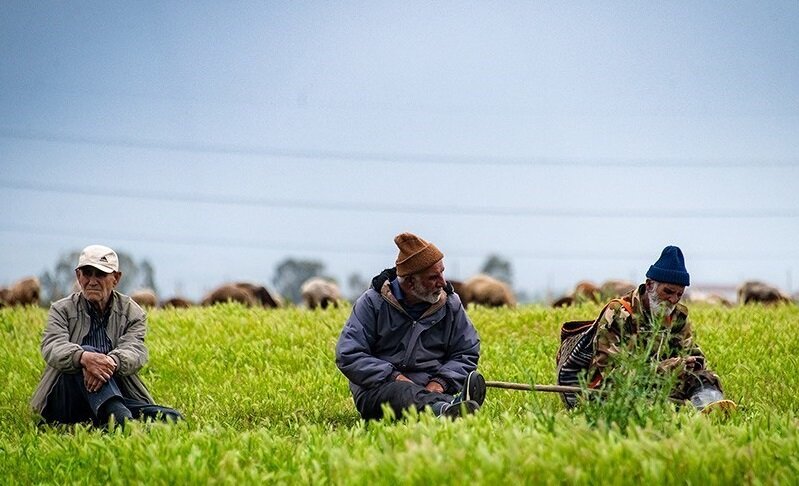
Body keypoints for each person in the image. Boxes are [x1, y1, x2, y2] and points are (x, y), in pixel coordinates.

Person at [556, 246, 729, 411]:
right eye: (668, 291)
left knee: (704, 378)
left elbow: (693, 355)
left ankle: (712, 411)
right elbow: (612, 376)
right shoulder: (619, 314)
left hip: (656, 383)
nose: (673, 300)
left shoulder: (677, 317)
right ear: (649, 285)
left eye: (679, 294)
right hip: (608, 392)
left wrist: (689, 365)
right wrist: (664, 368)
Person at [336, 232, 485, 420]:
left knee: (430, 397)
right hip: (381, 391)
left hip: (433, 389)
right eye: (433, 277)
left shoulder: (450, 305)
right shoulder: (372, 303)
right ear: (410, 282)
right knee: (400, 393)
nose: (442, 282)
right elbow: (349, 354)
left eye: (442, 272)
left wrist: (440, 382)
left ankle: (444, 408)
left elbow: (466, 351)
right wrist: (395, 377)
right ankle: (446, 410)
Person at [31, 244, 182, 427]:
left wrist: (109, 362)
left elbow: (135, 351)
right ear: (78, 276)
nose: (92, 281)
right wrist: (84, 358)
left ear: (116, 278)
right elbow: (53, 347)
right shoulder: (61, 310)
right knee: (86, 351)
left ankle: (115, 419)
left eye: (101, 274)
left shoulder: (133, 313)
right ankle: (121, 420)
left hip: (116, 392)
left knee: (173, 417)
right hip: (67, 398)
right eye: (87, 273)